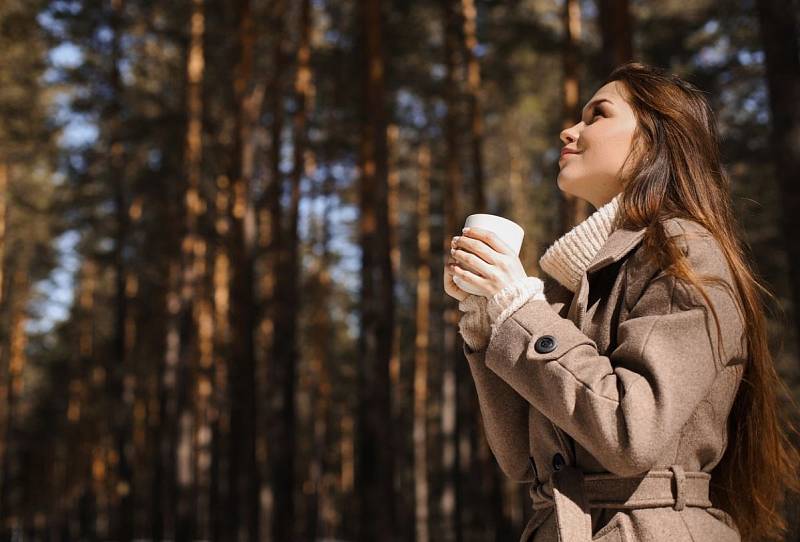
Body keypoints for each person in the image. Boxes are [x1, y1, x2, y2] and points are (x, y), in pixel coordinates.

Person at [443, 61, 800, 542]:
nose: (569, 131)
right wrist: (490, 318)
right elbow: (520, 460)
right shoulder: (577, 287)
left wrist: (518, 308)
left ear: (654, 141)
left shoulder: (685, 253)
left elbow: (631, 433)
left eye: (597, 115)